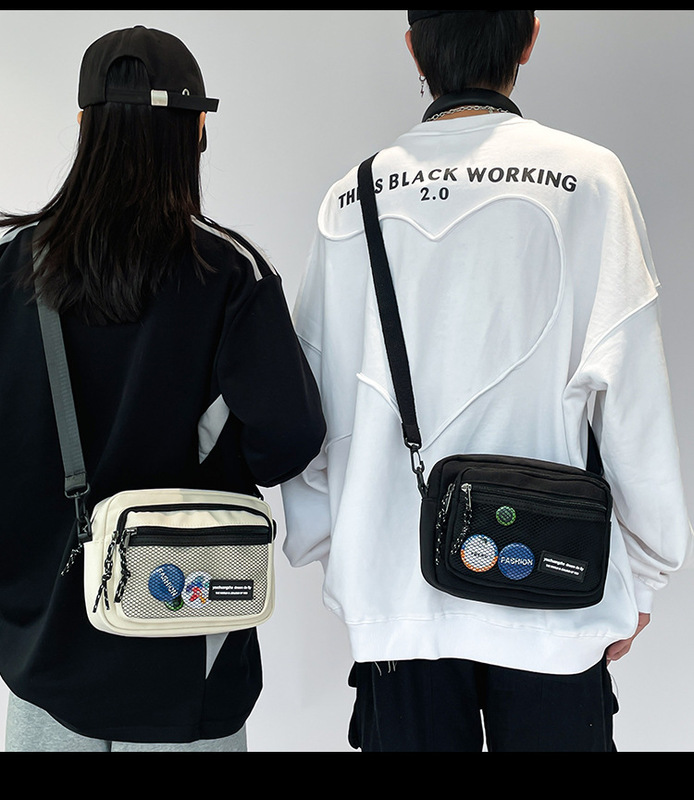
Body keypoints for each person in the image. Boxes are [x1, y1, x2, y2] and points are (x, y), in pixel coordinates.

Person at [281, 11, 692, 752]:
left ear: (415, 49)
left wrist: (347, 556)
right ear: (528, 38)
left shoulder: (352, 198)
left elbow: (309, 403)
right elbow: (632, 399)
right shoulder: (588, 180)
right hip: (555, 592)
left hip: (396, 605)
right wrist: (641, 572)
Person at [0, 25, 325, 752]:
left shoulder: (10, 265)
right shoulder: (229, 273)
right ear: (197, 131)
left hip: (40, 649)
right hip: (186, 640)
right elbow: (291, 438)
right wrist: (211, 456)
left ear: (83, 124)